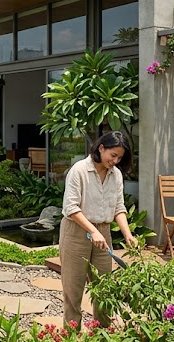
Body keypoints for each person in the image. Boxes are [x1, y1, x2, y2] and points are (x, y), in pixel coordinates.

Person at [59, 130, 138, 327]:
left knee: (104, 287)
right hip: (76, 231)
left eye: (120, 157)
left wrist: (128, 235)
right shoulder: (79, 170)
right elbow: (71, 208)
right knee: (73, 288)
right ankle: (71, 339)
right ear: (101, 148)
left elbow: (119, 207)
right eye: (113, 155)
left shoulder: (116, 174)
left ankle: (103, 335)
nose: (116, 161)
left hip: (103, 232)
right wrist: (92, 231)